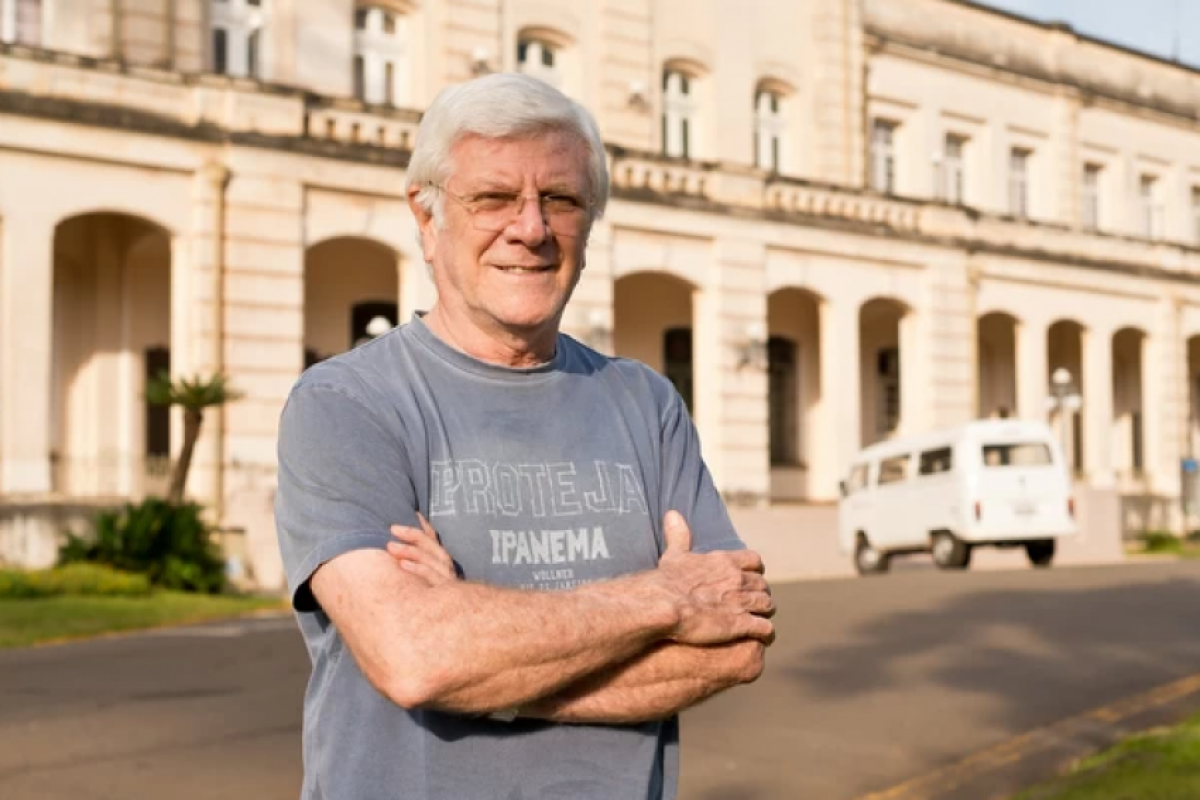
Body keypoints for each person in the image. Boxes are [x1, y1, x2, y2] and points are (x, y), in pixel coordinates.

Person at [275, 72, 775, 800]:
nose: (532, 228)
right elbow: (415, 656)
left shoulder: (645, 402)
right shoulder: (348, 404)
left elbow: (734, 646)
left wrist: (483, 662)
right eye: (494, 198)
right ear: (426, 215)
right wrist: (663, 598)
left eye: (562, 200)